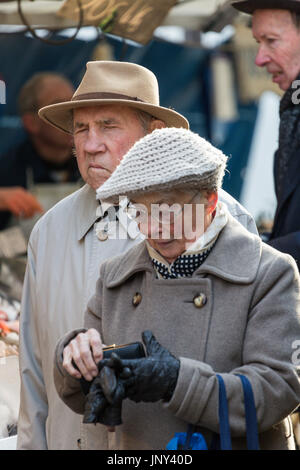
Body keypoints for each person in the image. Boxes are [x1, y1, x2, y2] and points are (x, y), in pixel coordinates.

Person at [18, 60, 257, 450]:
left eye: (109, 125)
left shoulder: (219, 220)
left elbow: (259, 380)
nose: (90, 143)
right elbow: (33, 372)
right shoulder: (49, 232)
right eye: (81, 128)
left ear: (155, 134)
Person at [54, 127, 300, 450]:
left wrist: (176, 382)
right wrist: (75, 359)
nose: (153, 228)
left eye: (169, 211)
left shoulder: (269, 272)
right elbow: (82, 396)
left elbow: (280, 390)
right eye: (140, 212)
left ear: (210, 201)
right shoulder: (114, 276)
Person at [232, 0, 300, 268]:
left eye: (271, 40)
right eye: (258, 42)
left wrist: (253, 254)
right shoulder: (292, 110)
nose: (259, 58)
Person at [0, 72, 80, 230]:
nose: (72, 117)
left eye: (73, 105)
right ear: (31, 123)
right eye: (58, 106)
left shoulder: (94, 167)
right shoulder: (7, 171)